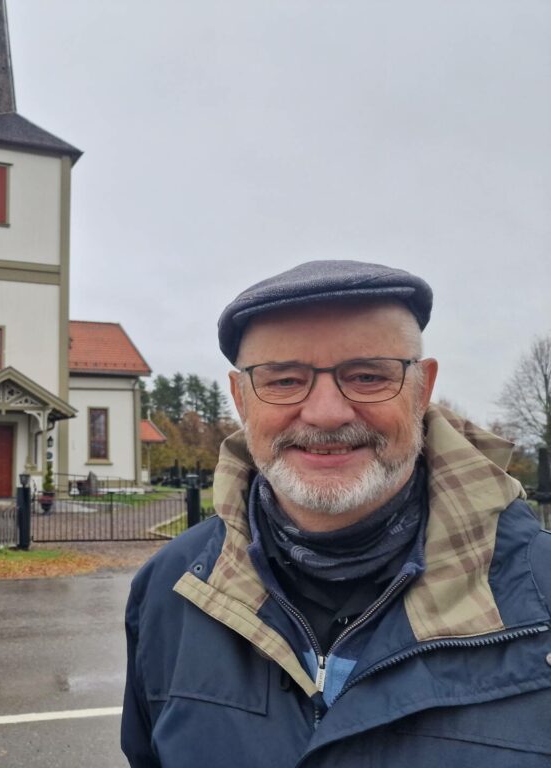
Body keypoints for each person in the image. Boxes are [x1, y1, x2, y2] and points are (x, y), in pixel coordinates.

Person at [121, 260, 551, 767]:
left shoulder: (540, 587)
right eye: (283, 381)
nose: (326, 413)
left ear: (423, 387)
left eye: (368, 376)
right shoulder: (171, 588)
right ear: (240, 398)